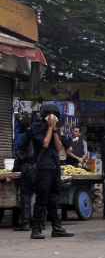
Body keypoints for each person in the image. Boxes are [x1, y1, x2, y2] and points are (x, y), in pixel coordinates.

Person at [29, 102, 75, 240]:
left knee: (54, 199)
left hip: (54, 166)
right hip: (43, 167)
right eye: (49, 114)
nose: (52, 116)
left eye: (54, 114)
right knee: (42, 199)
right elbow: (44, 143)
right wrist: (49, 128)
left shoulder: (55, 129)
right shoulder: (36, 128)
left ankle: (57, 228)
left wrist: (54, 130)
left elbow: (58, 146)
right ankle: (36, 229)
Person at [12, 114, 38, 231]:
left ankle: (26, 222)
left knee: (26, 194)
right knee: (39, 195)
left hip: (28, 167)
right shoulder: (47, 132)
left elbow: (21, 148)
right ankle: (38, 222)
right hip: (42, 168)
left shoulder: (29, 132)